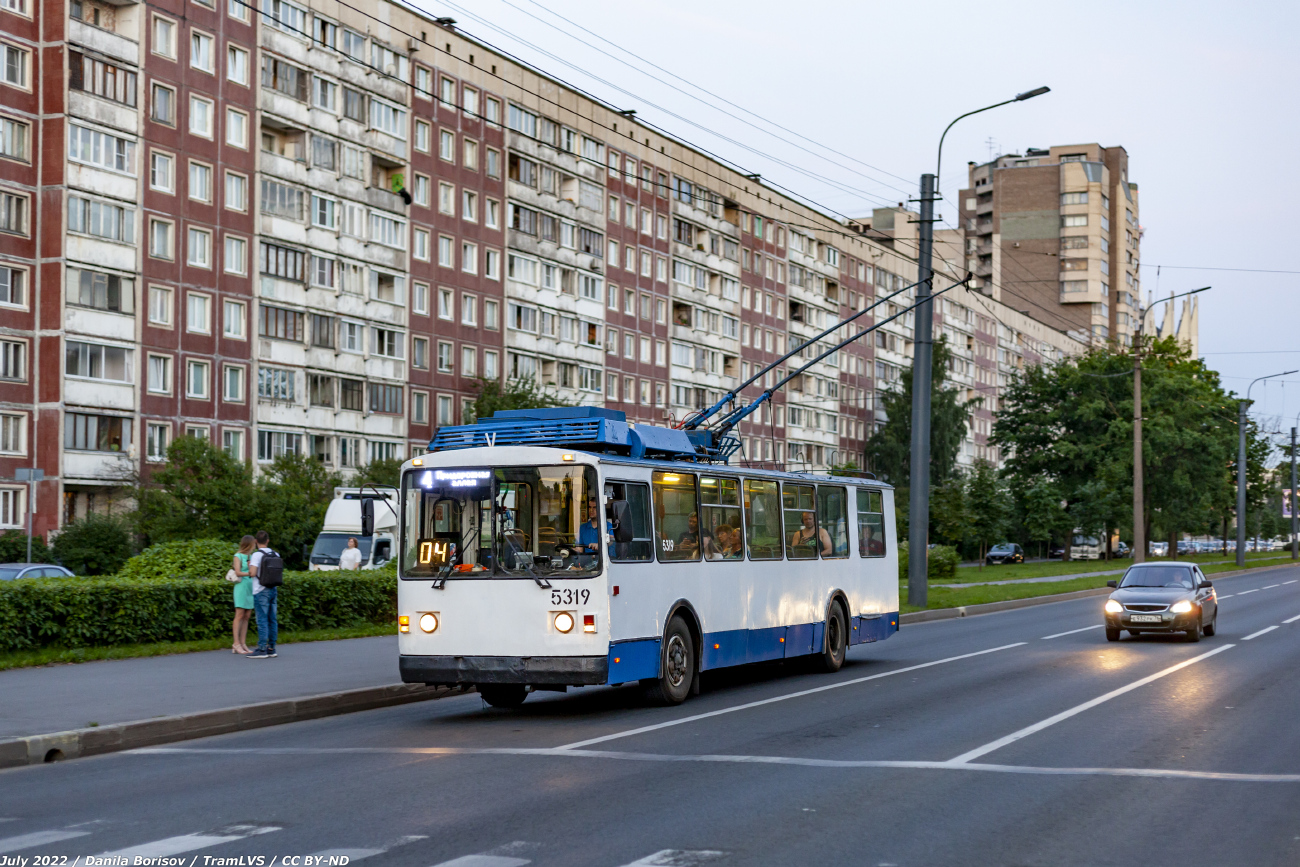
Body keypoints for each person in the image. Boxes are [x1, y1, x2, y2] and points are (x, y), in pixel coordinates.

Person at [247, 530, 279, 659]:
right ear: (268, 541)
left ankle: (261, 649)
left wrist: (249, 566)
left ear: (256, 541)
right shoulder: (275, 554)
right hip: (273, 588)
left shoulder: (256, 555)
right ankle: (271, 648)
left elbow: (252, 573)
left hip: (260, 590)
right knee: (272, 619)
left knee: (262, 620)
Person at [231, 535, 256, 654]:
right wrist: (249, 573)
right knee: (239, 614)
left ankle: (243, 642)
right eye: (253, 544)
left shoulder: (252, 556)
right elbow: (237, 572)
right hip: (241, 587)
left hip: (250, 587)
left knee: (247, 616)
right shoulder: (238, 556)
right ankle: (236, 643)